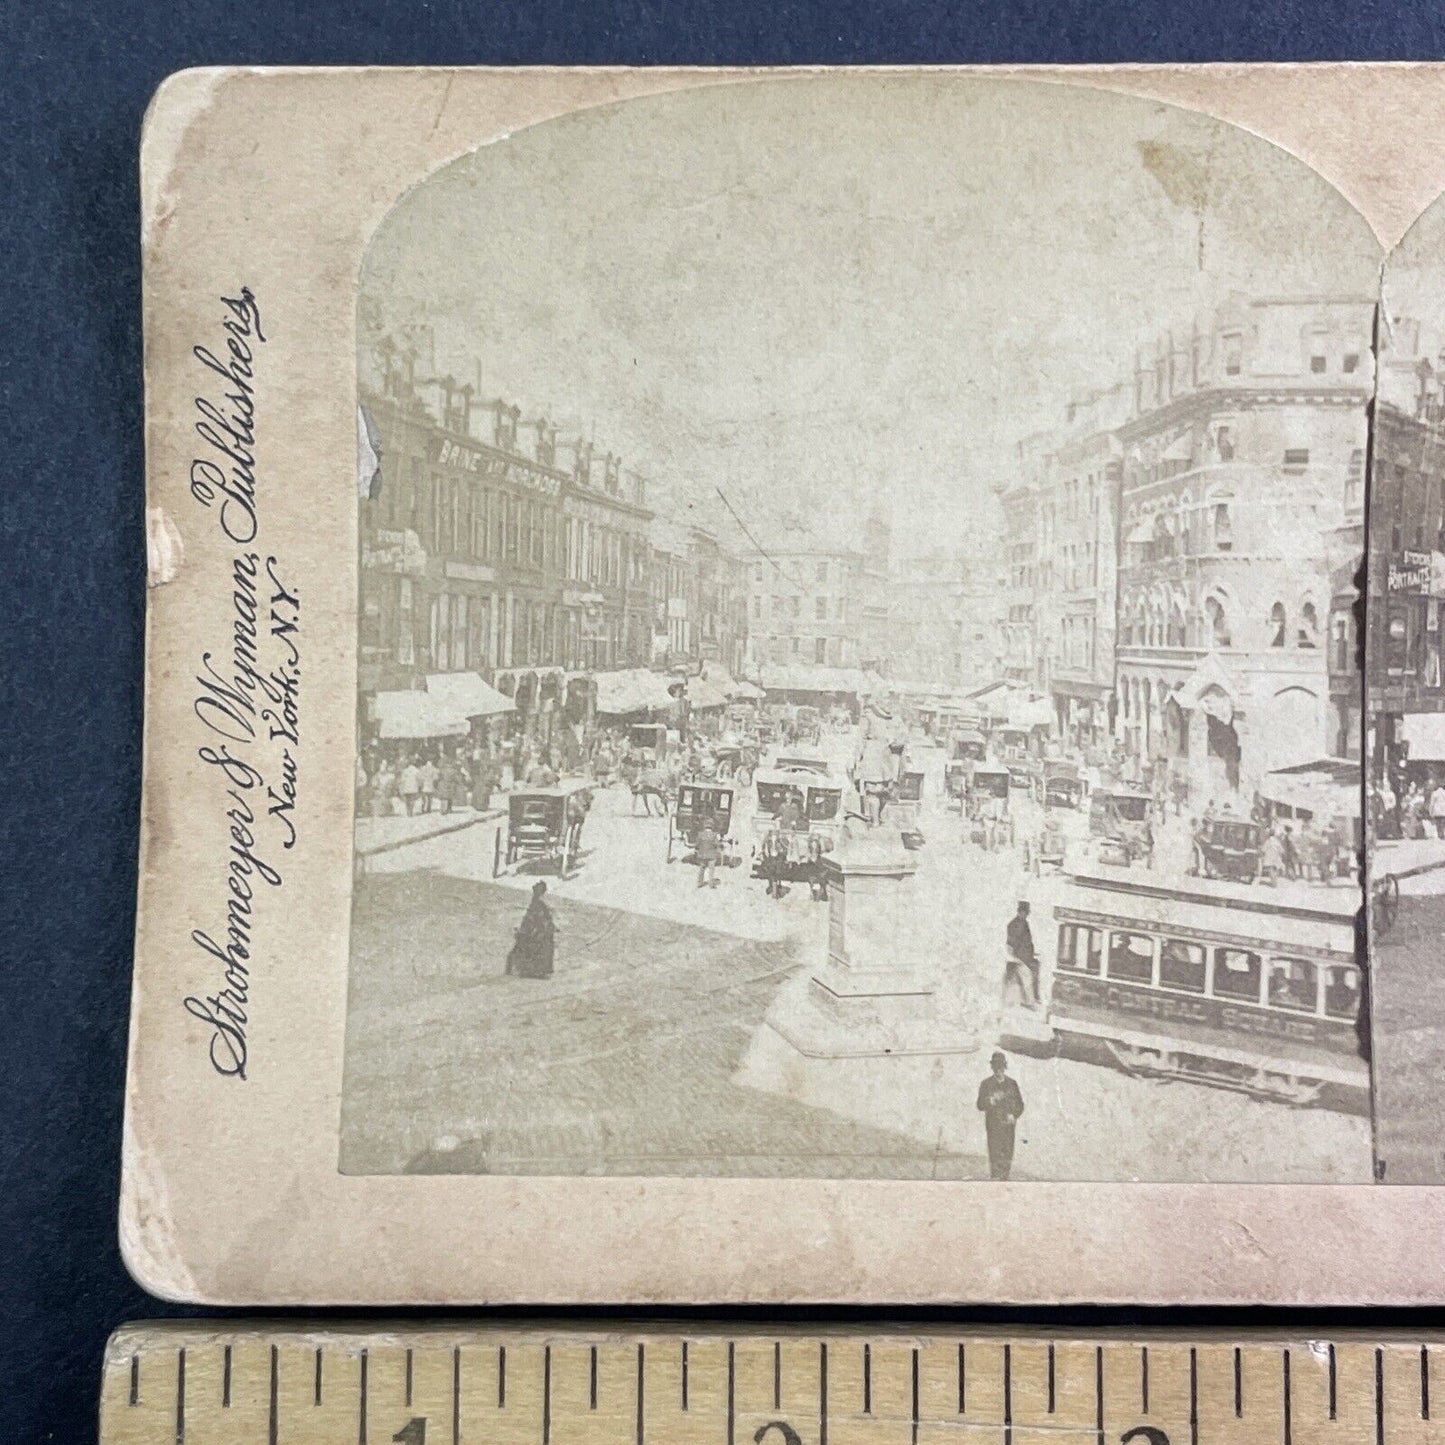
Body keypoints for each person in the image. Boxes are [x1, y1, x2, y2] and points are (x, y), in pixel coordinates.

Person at [976, 1051, 1025, 1181]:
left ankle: (1005, 1182)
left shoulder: (1012, 1084)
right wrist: (989, 1101)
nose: (998, 1070)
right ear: (992, 1067)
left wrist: (1013, 1115)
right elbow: (980, 1105)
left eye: (1001, 1067)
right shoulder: (986, 1084)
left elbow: (1020, 1105)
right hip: (993, 1127)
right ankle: (995, 1183)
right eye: (996, 1067)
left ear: (1005, 1067)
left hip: (1008, 1128)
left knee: (1007, 1157)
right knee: (995, 1158)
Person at [505, 881, 556, 979]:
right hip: (533, 932)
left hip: (531, 931)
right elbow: (539, 920)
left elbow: (535, 919)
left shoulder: (536, 903)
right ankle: (537, 971)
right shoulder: (539, 904)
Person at [1004, 900, 1040, 1007]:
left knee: (1033, 970)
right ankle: (1028, 1001)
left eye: (1027, 913)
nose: (1026, 915)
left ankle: (1030, 999)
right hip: (1021, 956)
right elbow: (1014, 943)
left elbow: (1026, 942)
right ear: (1020, 912)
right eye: (1025, 912)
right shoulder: (1015, 925)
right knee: (1028, 975)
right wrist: (1019, 956)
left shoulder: (1023, 923)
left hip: (1025, 955)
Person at [695, 812, 721, 889]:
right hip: (711, 855)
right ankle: (711, 884)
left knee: (702, 868)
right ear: (712, 827)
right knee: (711, 869)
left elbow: (697, 844)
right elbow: (717, 844)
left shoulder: (700, 834)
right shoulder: (714, 835)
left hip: (702, 854)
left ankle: (699, 883)